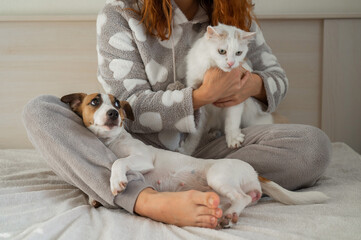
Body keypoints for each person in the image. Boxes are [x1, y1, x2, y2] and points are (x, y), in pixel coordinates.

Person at [23, 0, 331, 229]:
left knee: (311, 146)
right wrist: (201, 96)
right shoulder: (119, 14)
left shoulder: (232, 16)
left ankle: (206, 186)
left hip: (205, 152)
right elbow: (127, 109)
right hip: (127, 149)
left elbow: (278, 80)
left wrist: (251, 84)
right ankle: (148, 200)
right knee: (41, 111)